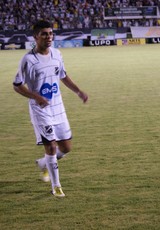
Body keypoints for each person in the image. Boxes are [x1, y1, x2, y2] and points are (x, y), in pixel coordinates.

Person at [13, 20, 88, 197]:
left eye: (51, 34)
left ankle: (43, 163)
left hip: (58, 108)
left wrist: (78, 91)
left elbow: (63, 75)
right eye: (44, 34)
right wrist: (36, 97)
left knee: (67, 147)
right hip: (41, 111)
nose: (49, 37)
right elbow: (17, 85)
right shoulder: (29, 60)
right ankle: (56, 186)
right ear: (35, 37)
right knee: (51, 147)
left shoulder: (57, 54)